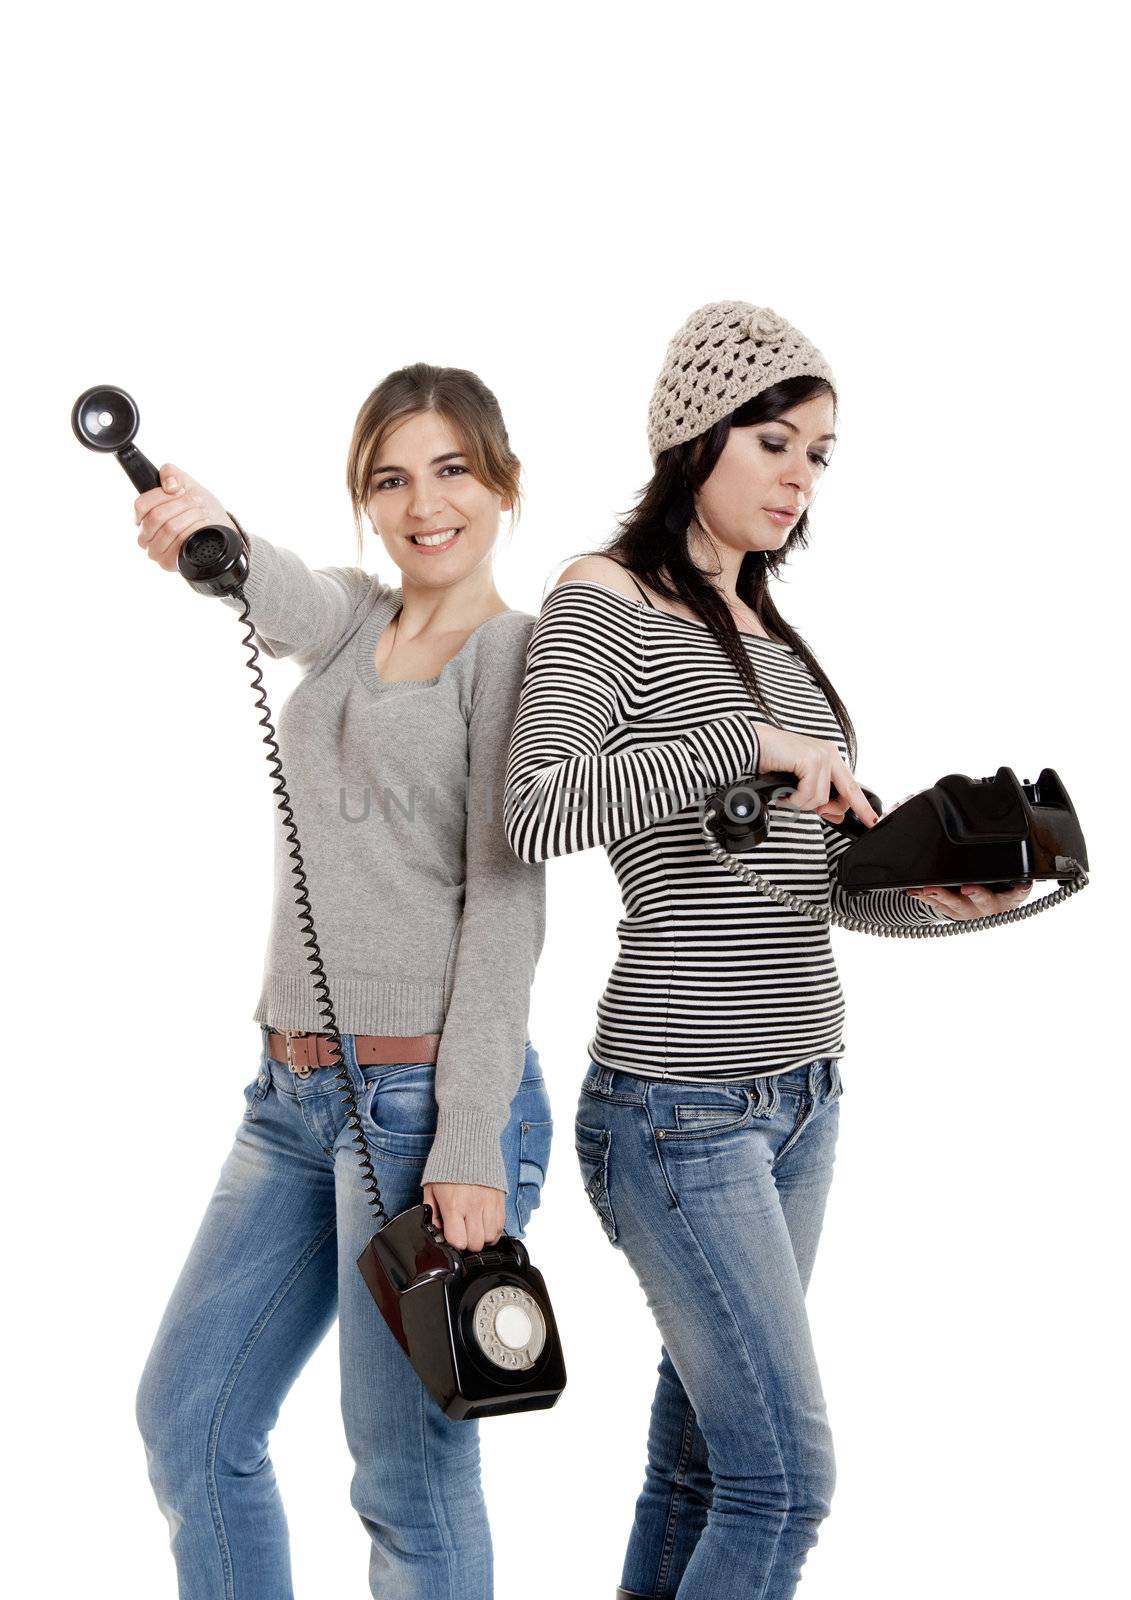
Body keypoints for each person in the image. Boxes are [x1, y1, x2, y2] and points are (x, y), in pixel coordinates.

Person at [502, 302, 1032, 1599]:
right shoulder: (603, 599)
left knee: (699, 1472)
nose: (799, 477)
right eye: (775, 442)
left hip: (799, 1096)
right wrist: (736, 749)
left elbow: (809, 887)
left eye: (819, 455)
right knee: (783, 1482)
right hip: (677, 1112)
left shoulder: (769, 636)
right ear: (694, 438)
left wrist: (931, 899)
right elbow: (534, 806)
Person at [132, 363, 552, 1600]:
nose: (424, 503)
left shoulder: (519, 661)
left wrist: (470, 1138)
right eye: (390, 478)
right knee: (189, 1417)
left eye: (452, 470)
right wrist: (209, 529)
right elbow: (283, 593)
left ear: (503, 483)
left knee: (406, 1482)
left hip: (430, 1110)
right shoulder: (362, 616)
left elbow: (510, 908)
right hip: (292, 1092)